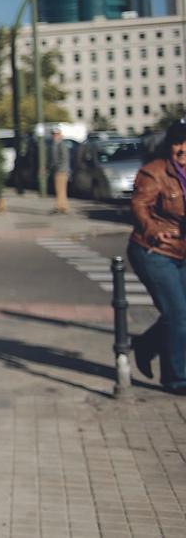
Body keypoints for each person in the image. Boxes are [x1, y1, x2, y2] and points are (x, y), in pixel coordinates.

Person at [127, 121, 186, 395]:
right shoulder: (154, 172)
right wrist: (153, 229)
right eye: (177, 143)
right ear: (169, 145)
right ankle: (176, 378)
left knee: (181, 315)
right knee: (177, 314)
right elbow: (139, 205)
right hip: (154, 251)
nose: (182, 149)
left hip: (182, 252)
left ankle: (146, 345)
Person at [51, 127, 70, 214]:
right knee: (60, 189)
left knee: (60, 189)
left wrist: (58, 167)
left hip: (61, 170)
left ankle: (60, 207)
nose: (54, 136)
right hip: (59, 170)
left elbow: (63, 158)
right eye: (53, 134)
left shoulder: (61, 145)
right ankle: (62, 206)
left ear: (60, 135)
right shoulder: (56, 144)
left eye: (56, 134)